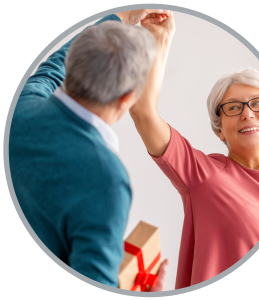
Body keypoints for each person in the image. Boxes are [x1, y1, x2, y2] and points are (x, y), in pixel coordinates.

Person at [9, 10, 171, 291]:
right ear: (127, 99)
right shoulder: (107, 179)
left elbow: (53, 67)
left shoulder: (21, 106)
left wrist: (122, 16)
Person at [129, 13, 259, 289]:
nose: (247, 114)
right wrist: (161, 40)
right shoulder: (205, 175)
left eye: (258, 103)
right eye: (234, 108)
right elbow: (143, 112)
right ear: (219, 130)